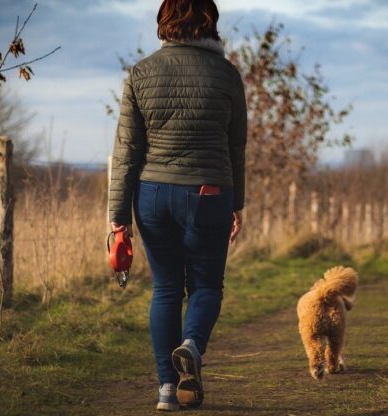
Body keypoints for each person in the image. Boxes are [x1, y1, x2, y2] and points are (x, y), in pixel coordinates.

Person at [107, 0, 246, 411]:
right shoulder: (226, 75)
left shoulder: (141, 72)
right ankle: (191, 346)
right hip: (208, 194)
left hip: (152, 195)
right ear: (210, 24)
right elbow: (235, 145)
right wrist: (237, 202)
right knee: (205, 286)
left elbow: (127, 150)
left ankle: (168, 389)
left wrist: (118, 217)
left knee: (165, 288)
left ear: (164, 23)